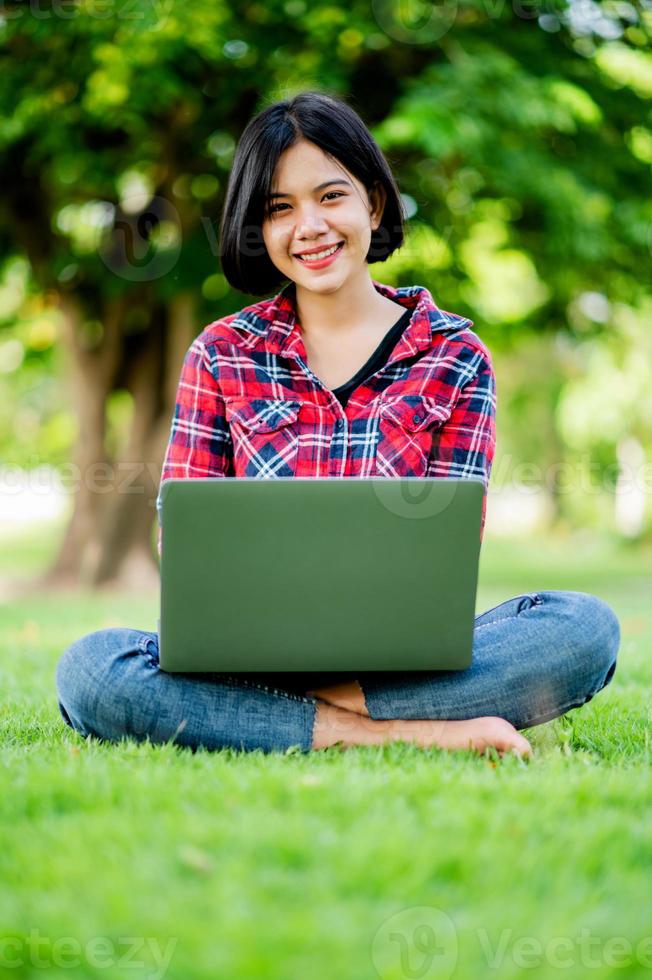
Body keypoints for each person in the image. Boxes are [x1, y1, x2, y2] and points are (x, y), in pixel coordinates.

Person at [55, 91, 621, 760]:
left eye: (330, 196)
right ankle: (411, 734)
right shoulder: (221, 353)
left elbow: (446, 553)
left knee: (582, 629)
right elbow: (187, 551)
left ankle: (291, 720)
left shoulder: (455, 355)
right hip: (249, 661)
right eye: (279, 208)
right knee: (90, 670)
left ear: (373, 203)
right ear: (259, 229)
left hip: (401, 665)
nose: (309, 227)